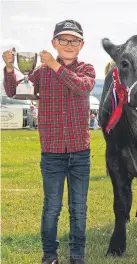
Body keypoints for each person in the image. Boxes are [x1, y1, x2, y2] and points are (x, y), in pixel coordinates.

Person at [2, 19, 96, 264]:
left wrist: (55, 65)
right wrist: (11, 69)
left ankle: (77, 256)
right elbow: (15, 91)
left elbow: (82, 88)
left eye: (73, 40)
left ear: (81, 44)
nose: (68, 44)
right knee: (52, 208)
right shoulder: (40, 72)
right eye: (63, 39)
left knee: (79, 209)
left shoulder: (86, 69)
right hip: (52, 153)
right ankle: (50, 256)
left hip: (80, 153)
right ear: (54, 42)